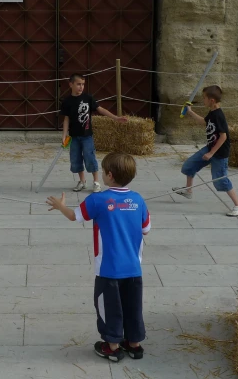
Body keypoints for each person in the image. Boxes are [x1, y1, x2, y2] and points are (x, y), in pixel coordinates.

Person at [46, 152, 151, 362]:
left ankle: (112, 346)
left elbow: (74, 216)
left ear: (109, 175)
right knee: (133, 306)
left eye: (102, 171)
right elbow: (146, 229)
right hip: (133, 268)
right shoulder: (138, 200)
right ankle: (134, 344)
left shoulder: (97, 199)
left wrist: (60, 206)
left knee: (108, 307)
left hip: (108, 270)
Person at [172, 85, 238, 217]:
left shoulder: (219, 115)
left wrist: (211, 153)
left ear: (211, 100)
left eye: (204, 98)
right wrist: (190, 112)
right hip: (210, 148)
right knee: (189, 165)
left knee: (220, 180)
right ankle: (188, 191)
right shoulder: (211, 113)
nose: (203, 100)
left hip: (219, 153)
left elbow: (224, 136)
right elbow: (204, 122)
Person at [60, 73, 127, 193]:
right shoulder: (67, 101)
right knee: (76, 159)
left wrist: (115, 118)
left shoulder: (88, 98)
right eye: (78, 84)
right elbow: (66, 119)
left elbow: (100, 109)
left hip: (87, 136)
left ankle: (96, 182)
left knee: (90, 157)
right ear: (71, 84)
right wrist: (64, 135)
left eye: (83, 84)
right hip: (74, 137)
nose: (81, 87)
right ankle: (82, 181)